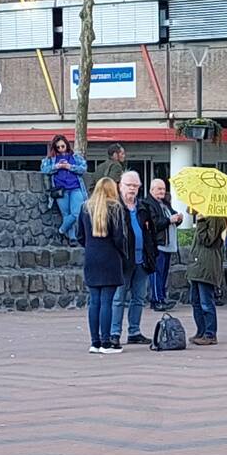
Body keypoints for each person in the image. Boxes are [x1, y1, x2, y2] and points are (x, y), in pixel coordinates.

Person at [76, 177, 126, 354]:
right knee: (107, 301)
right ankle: (106, 342)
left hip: (92, 256)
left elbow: (79, 235)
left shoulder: (85, 208)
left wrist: (90, 246)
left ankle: (94, 342)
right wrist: (122, 254)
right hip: (110, 256)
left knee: (94, 301)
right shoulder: (115, 208)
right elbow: (119, 237)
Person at [110, 171, 156, 348]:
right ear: (120, 185)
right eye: (129, 185)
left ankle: (134, 332)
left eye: (136, 186)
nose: (132, 189)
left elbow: (150, 232)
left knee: (139, 298)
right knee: (118, 298)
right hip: (122, 260)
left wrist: (152, 253)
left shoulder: (143, 207)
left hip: (142, 260)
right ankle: (114, 333)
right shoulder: (114, 207)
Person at [187, 213, 227, 346]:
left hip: (207, 264)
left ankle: (210, 333)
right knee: (196, 301)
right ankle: (201, 331)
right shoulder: (206, 216)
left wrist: (201, 222)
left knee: (206, 302)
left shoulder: (215, 217)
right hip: (198, 263)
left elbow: (208, 240)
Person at [143, 178, 182, 312]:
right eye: (159, 189)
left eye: (164, 189)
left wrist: (178, 219)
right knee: (156, 274)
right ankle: (156, 300)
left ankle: (162, 297)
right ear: (152, 190)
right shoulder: (148, 204)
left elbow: (170, 220)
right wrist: (169, 220)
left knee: (164, 273)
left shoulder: (165, 204)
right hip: (157, 244)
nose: (162, 192)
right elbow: (155, 224)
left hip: (168, 245)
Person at [41, 134, 88, 246]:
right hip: (60, 190)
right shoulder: (51, 159)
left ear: (67, 145)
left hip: (75, 188)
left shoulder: (75, 157)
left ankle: (61, 231)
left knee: (76, 213)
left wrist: (69, 167)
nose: (61, 149)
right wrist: (56, 167)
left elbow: (83, 168)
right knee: (66, 214)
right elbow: (44, 169)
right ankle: (72, 238)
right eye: (58, 147)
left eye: (63, 146)